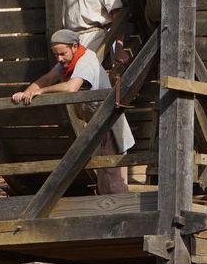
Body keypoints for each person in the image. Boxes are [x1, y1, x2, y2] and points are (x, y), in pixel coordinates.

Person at [12, 28, 132, 195]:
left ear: (74, 47)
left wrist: (40, 92)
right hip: (97, 124)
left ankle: (121, 216)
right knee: (104, 179)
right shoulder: (68, 61)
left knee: (113, 180)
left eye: (62, 54)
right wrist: (27, 92)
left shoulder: (85, 61)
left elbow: (71, 88)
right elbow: (48, 78)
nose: (59, 59)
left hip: (110, 124)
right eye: (56, 55)